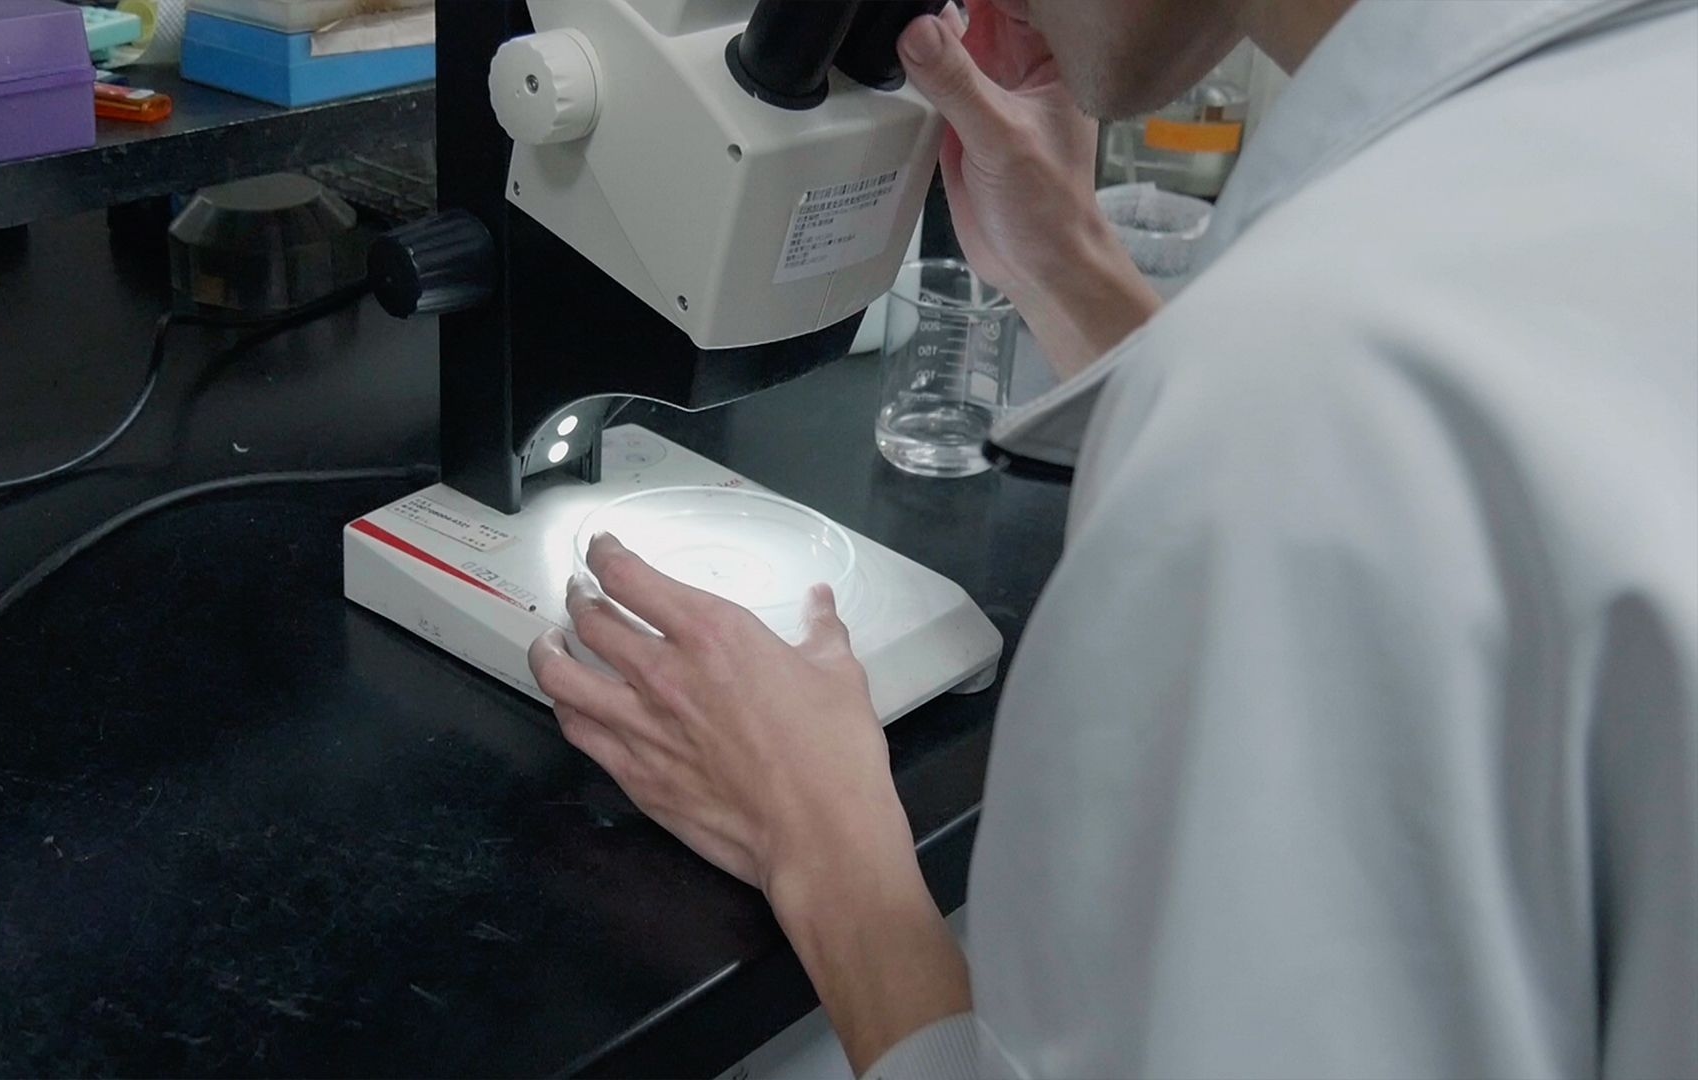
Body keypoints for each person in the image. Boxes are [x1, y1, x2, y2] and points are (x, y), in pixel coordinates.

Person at [528, 0, 1698, 1075]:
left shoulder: (1330, 378)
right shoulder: (1624, 109)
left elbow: (1332, 437)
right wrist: (1073, 270)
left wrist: (821, 840)